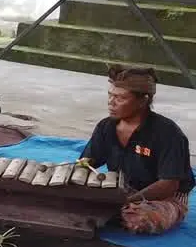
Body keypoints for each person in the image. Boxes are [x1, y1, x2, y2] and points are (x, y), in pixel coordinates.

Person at [79, 65, 194, 234]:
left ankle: (111, 213)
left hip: (164, 197)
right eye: (110, 96)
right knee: (72, 200)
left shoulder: (168, 133)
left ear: (143, 100)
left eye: (120, 98)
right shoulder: (106, 126)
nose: (111, 102)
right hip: (122, 187)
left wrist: (125, 200)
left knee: (139, 219)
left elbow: (168, 184)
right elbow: (88, 161)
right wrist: (76, 171)